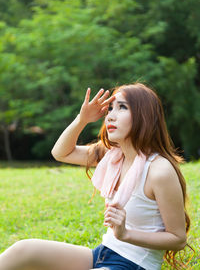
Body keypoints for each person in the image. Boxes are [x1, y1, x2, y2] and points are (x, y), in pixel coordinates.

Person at [0, 83, 190, 270]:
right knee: (24, 250)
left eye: (122, 107)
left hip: (134, 264)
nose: (110, 116)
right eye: (110, 109)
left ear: (144, 116)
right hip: (102, 253)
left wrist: (126, 234)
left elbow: (178, 239)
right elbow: (61, 153)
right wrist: (82, 119)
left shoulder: (159, 171)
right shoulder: (114, 155)